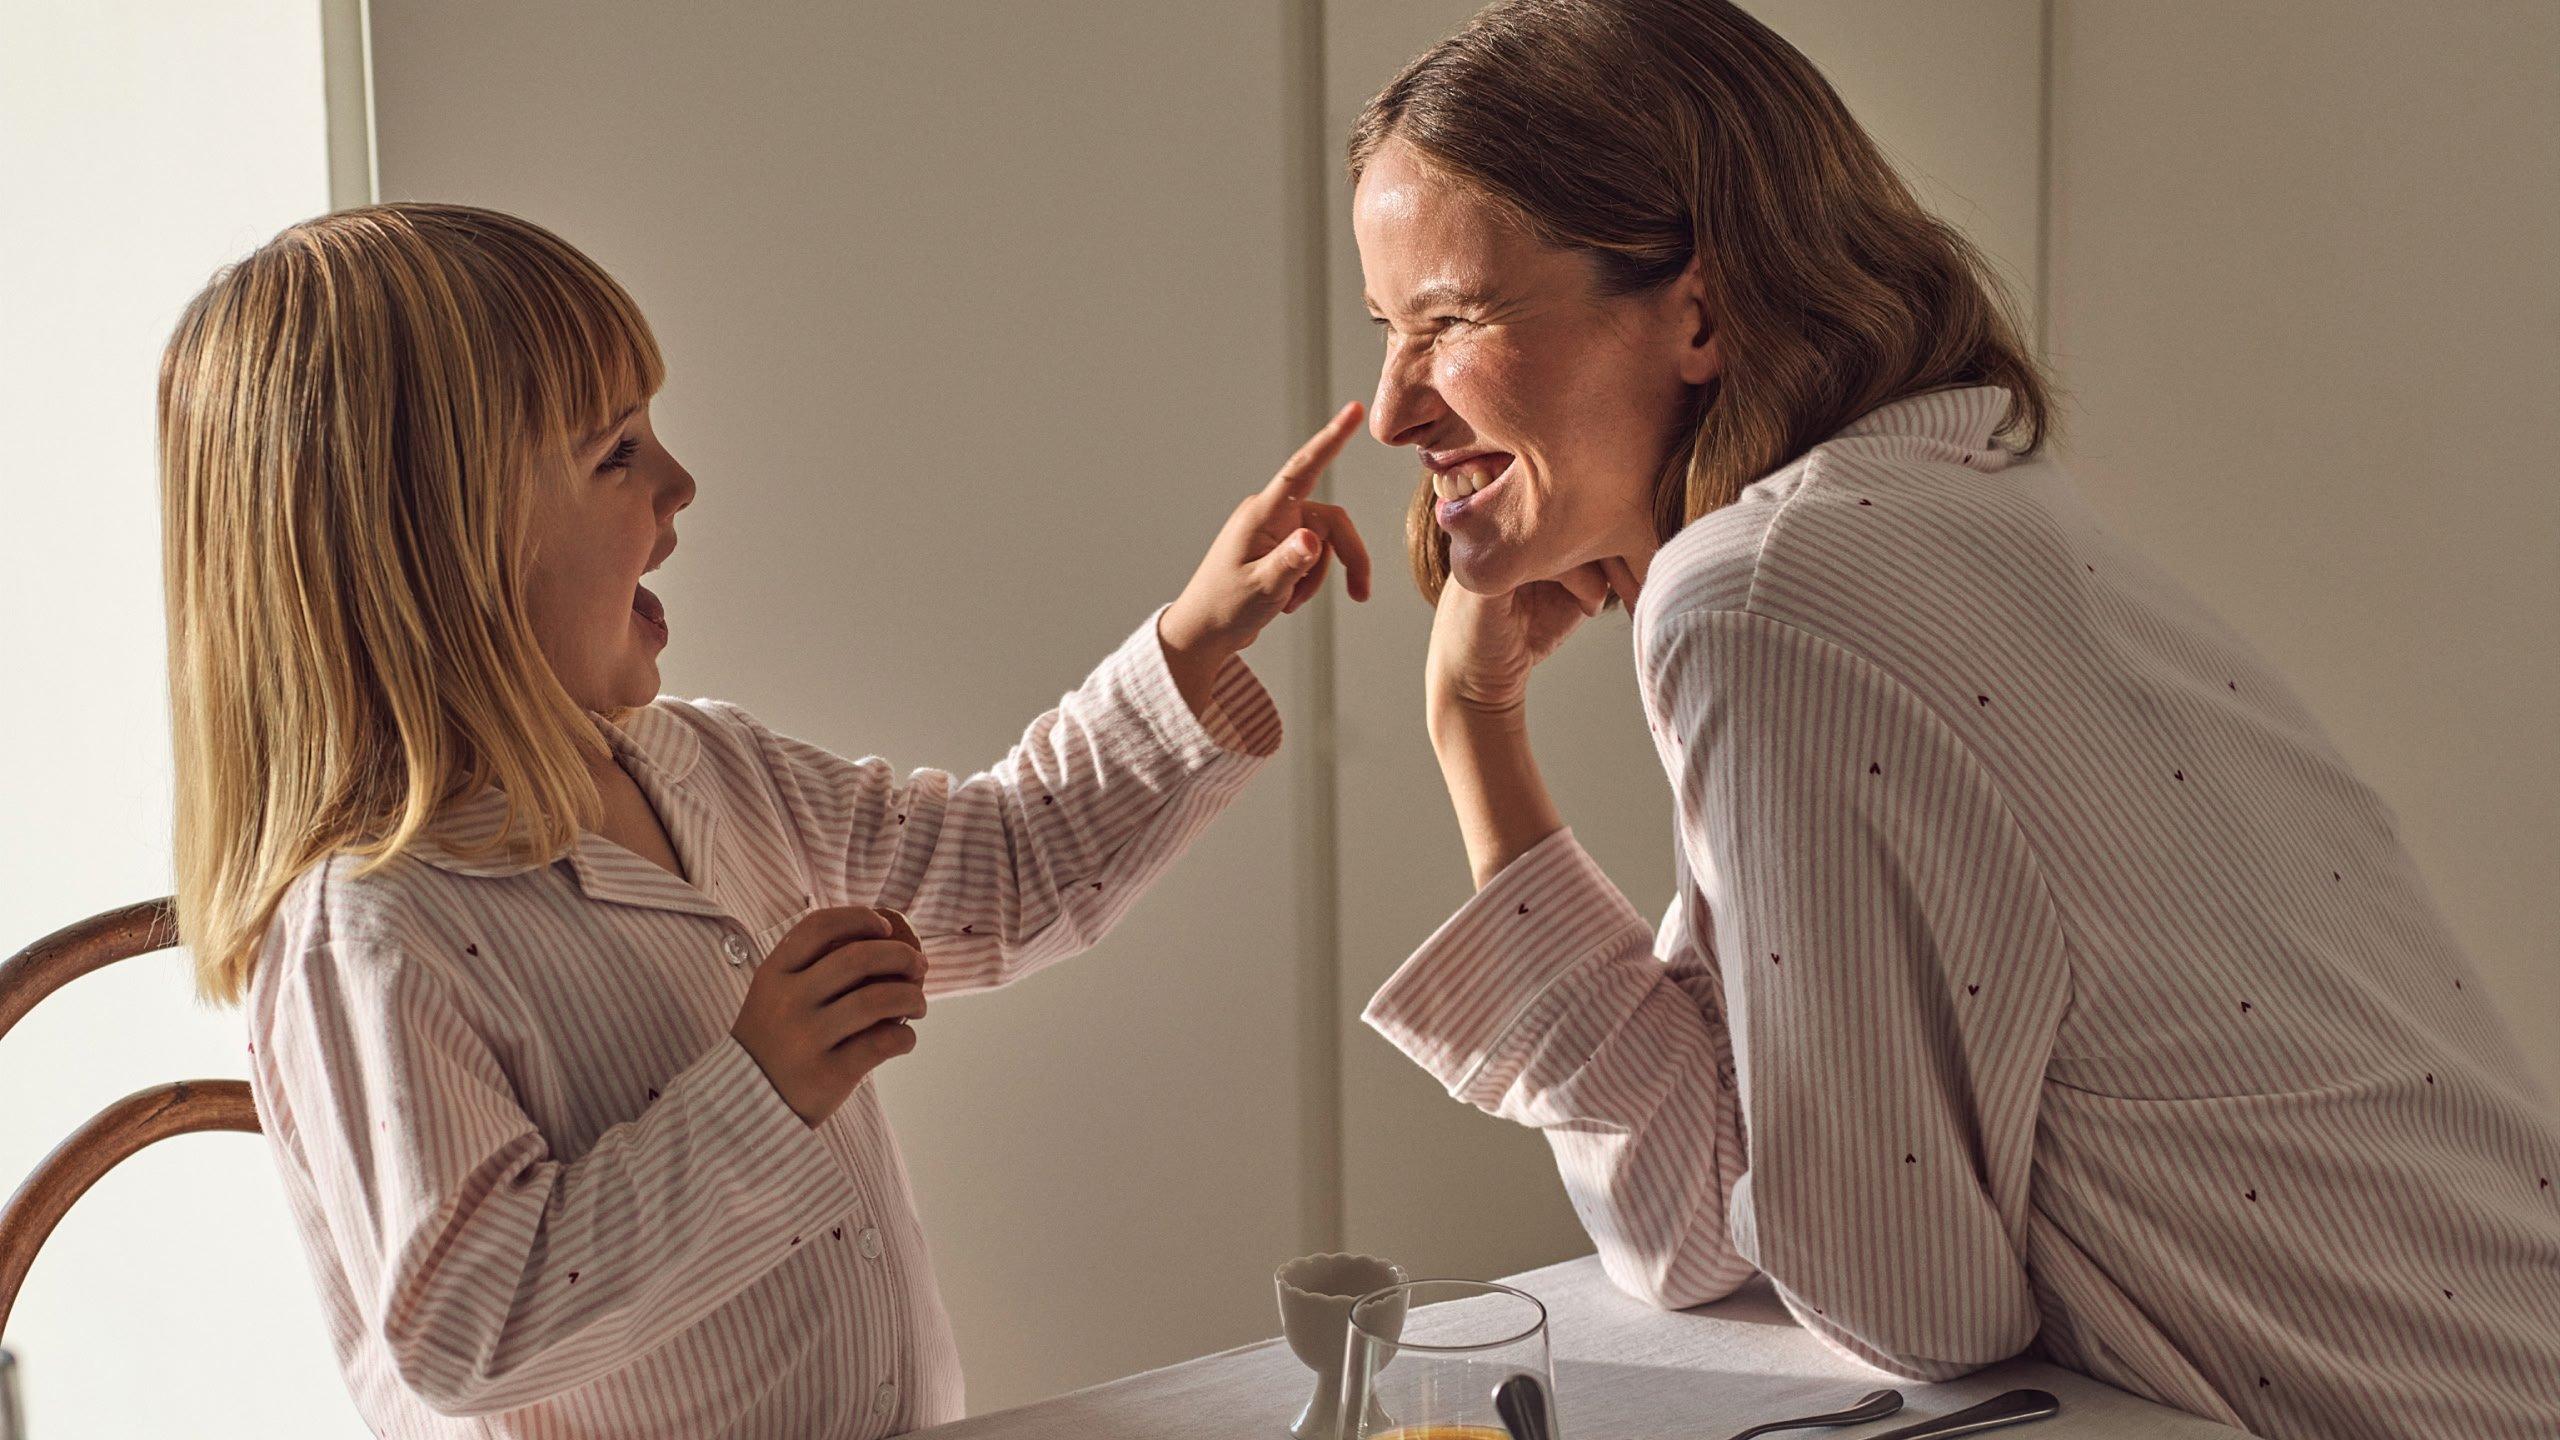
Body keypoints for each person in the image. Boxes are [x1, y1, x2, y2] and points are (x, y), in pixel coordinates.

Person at [1346, 4, 2560, 1437]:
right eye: (1386, 332)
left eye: (1451, 323)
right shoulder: (1938, 509)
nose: (1389, 415)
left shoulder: (1770, 594)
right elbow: (1696, 1220)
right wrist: (1477, 723)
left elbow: (1906, 1306)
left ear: (1698, 310)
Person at [159, 202, 1370, 1438]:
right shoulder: (371, 930)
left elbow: (1008, 873)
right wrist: (760, 1089)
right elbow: (472, 1330)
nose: (681, 482)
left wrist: (1192, 640)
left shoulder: (710, 769)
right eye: (614, 453)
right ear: (439, 552)